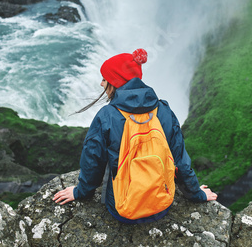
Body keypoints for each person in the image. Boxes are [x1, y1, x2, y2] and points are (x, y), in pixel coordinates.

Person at [53, 48, 217, 223]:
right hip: (161, 206)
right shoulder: (164, 111)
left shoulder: (106, 116)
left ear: (116, 81)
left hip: (121, 209)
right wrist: (196, 194)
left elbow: (92, 161)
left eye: (104, 79)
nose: (102, 84)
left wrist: (80, 192)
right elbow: (181, 161)